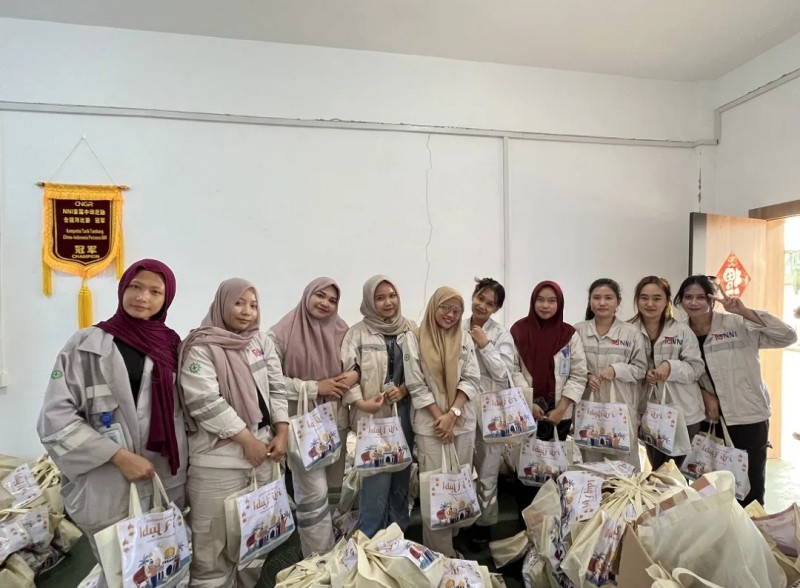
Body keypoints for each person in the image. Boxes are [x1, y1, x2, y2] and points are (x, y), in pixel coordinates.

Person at [37, 259, 188, 581]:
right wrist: (118, 456)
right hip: (108, 480)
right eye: (135, 286)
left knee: (162, 567)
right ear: (123, 288)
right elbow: (54, 418)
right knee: (119, 572)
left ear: (167, 299)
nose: (142, 297)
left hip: (164, 476)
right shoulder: (86, 344)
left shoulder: (172, 345)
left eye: (155, 292)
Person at [177, 278, 289, 588]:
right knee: (212, 544)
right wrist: (246, 440)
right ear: (222, 303)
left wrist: (282, 432)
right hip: (218, 461)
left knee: (257, 535)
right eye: (238, 303)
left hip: (264, 454)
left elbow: (277, 388)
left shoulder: (260, 342)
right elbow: (204, 401)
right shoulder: (201, 346)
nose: (246, 311)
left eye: (253, 305)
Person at [675, 275, 797, 505]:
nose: (694, 302)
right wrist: (704, 395)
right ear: (680, 300)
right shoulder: (680, 333)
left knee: (750, 486)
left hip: (747, 414)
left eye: (701, 297)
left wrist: (745, 312)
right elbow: (683, 373)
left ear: (712, 299)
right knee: (709, 484)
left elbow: (788, 336)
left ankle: (751, 524)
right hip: (707, 417)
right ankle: (716, 525)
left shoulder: (737, 324)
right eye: (688, 297)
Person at [268, 277, 357, 557]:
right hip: (303, 424)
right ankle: (317, 559)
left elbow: (356, 365)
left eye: (332, 300)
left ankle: (332, 549)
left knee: (332, 490)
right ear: (307, 295)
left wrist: (353, 375)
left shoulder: (342, 330)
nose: (325, 303)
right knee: (313, 494)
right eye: (320, 296)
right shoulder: (281, 333)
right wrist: (314, 387)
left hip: (335, 421)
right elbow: (271, 381)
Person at [406, 286, 481, 558]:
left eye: (456, 311)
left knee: (458, 484)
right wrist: (441, 418)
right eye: (445, 307)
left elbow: (471, 378)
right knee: (435, 489)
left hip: (461, 423)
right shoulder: (414, 338)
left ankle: (453, 540)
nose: (450, 314)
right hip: (431, 426)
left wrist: (453, 415)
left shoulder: (465, 338)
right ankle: (441, 554)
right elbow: (416, 384)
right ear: (433, 306)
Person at [341, 275, 412, 537]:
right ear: (370, 301)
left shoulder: (410, 329)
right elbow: (348, 373)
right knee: (376, 480)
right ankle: (370, 539)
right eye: (380, 298)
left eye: (392, 296)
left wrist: (403, 389)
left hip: (403, 414)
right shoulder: (357, 333)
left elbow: (422, 370)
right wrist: (361, 402)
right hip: (372, 416)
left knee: (401, 477)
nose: (388, 302)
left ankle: (398, 535)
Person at [509, 280, 587, 514]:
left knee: (555, 468)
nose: (545, 305)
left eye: (552, 301)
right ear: (533, 302)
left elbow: (578, 374)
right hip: (527, 411)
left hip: (558, 413)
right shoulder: (518, 331)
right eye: (540, 300)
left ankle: (553, 521)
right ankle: (526, 521)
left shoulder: (569, 335)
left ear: (559, 304)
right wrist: (529, 401)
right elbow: (512, 369)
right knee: (526, 467)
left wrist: (562, 409)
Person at [461, 277, 523, 549]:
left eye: (490, 303)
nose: (482, 306)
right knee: (461, 467)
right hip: (461, 405)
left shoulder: (501, 335)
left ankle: (484, 525)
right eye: (480, 298)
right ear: (473, 295)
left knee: (487, 470)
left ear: (496, 308)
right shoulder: (457, 326)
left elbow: (503, 373)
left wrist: (485, 344)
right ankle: (461, 518)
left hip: (491, 410)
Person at [628, 276, 704, 470]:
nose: (650, 304)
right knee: (658, 472)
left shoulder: (681, 331)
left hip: (683, 413)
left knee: (678, 475)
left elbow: (696, 369)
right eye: (644, 298)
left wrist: (670, 368)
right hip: (648, 413)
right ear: (637, 300)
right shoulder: (627, 331)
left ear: (667, 301)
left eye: (657, 298)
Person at [575, 278, 647, 470]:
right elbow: (570, 366)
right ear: (590, 301)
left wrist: (616, 370)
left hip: (621, 408)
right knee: (591, 463)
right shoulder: (578, 330)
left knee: (624, 467)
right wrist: (587, 376)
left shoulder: (631, 333)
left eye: (608, 298)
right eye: (596, 297)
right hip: (589, 407)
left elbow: (641, 369)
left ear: (618, 301)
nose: (602, 303)